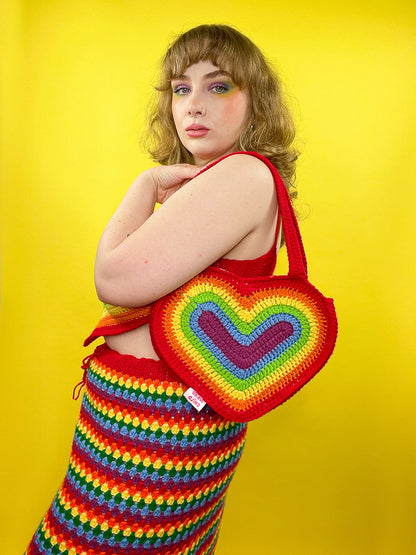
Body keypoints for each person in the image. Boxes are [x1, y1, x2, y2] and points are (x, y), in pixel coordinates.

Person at [25, 24, 298, 555]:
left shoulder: (241, 173)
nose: (194, 104)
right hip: (151, 423)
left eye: (219, 87)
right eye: (181, 87)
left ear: (257, 104)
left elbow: (116, 282)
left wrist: (145, 185)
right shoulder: (229, 181)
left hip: (156, 431)